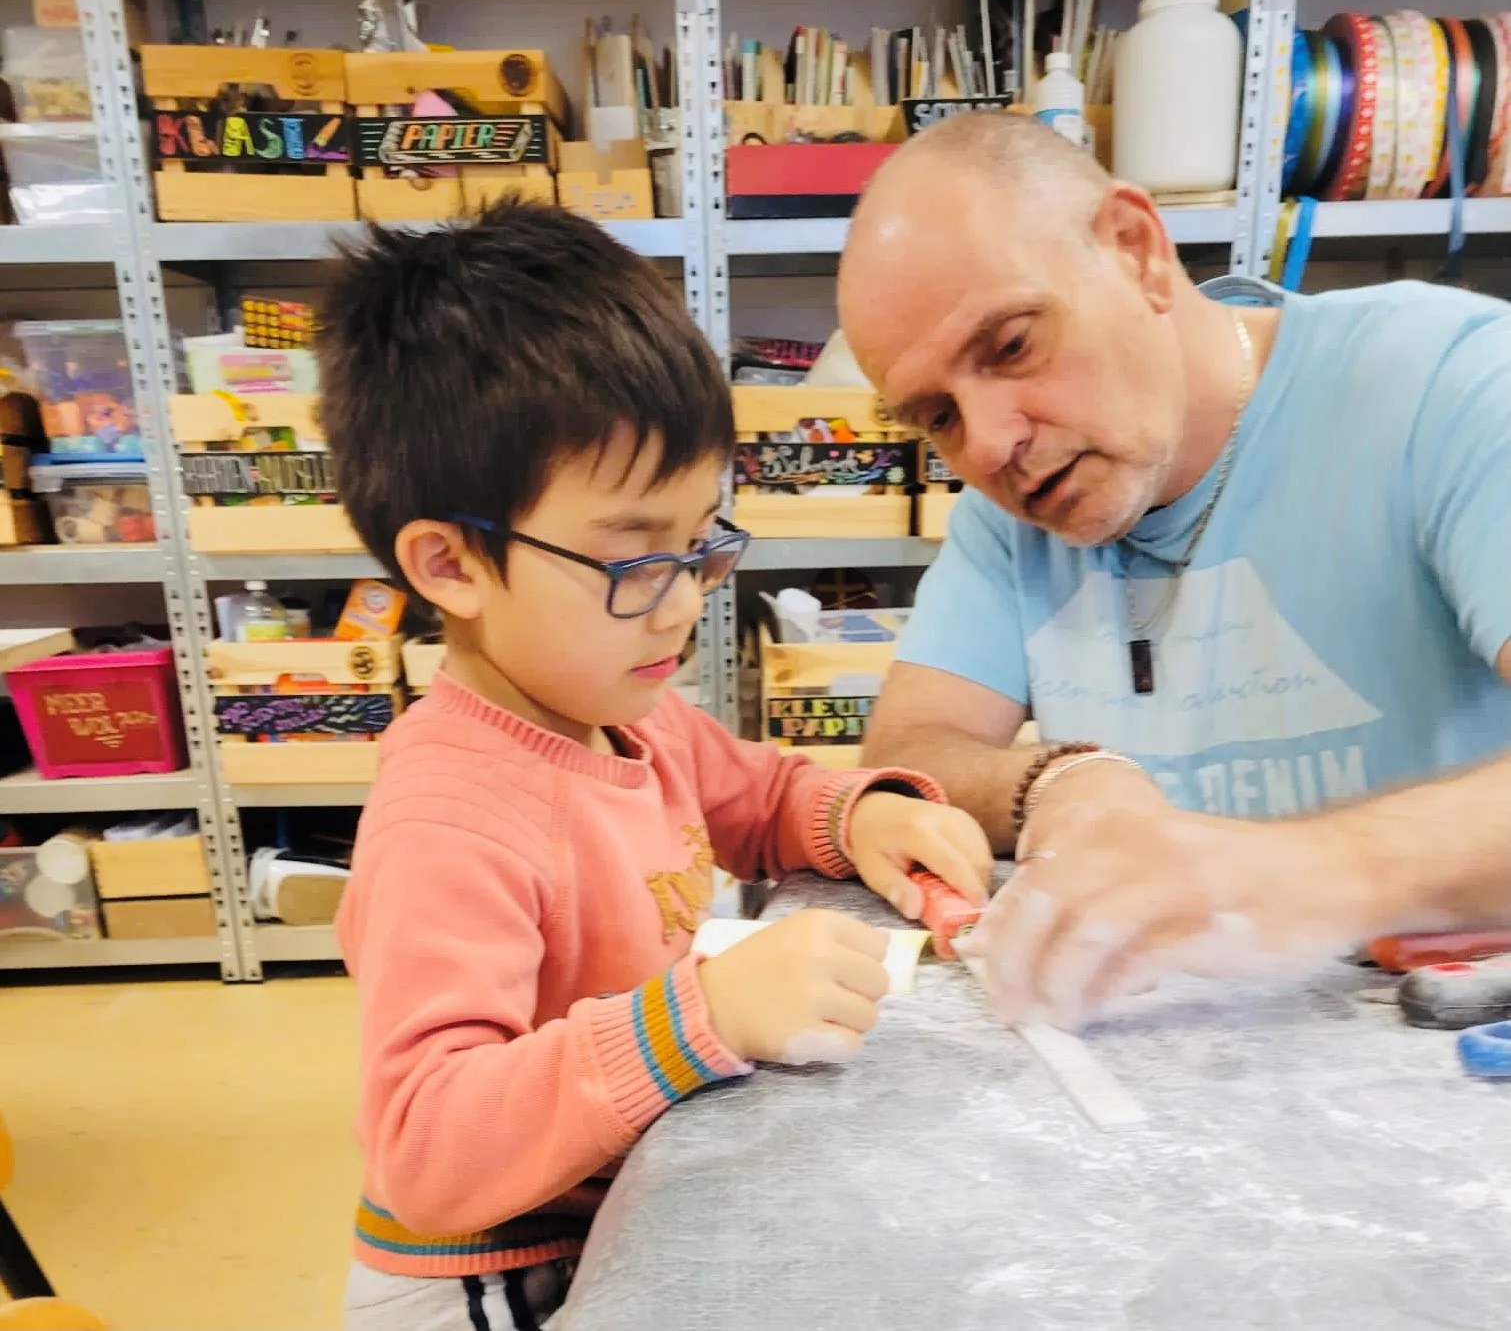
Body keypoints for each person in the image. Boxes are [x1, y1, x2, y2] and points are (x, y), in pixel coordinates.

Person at [316, 198, 992, 1331]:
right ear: (450, 564)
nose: (680, 599)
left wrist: (861, 814)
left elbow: (763, 797)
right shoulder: (451, 817)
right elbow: (424, 1142)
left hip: (612, 1204)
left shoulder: (624, 710)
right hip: (488, 1277)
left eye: (700, 542)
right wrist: (701, 1014)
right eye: (633, 559)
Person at [837, 111, 1511, 1032]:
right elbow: (909, 749)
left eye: (1010, 346)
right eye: (937, 416)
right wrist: (1059, 780)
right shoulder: (1009, 519)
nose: (991, 444)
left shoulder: (1452, 384)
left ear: (1137, 251)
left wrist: (1307, 876)